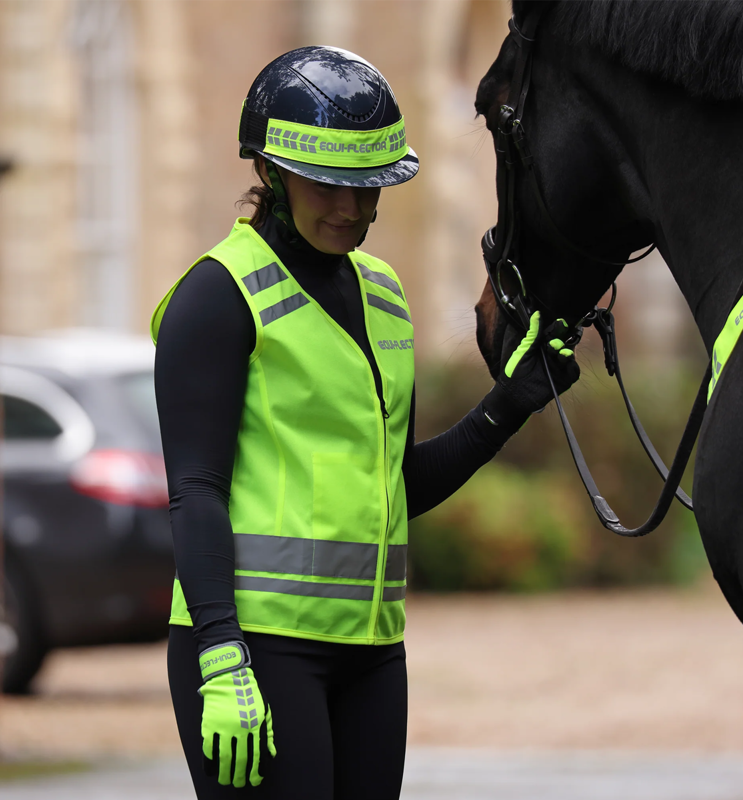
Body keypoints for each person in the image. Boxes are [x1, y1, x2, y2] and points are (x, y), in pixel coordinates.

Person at [151, 46, 579, 800]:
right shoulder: (217, 297)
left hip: (373, 652)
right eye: (327, 185)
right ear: (272, 173)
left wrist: (508, 407)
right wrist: (221, 651)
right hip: (255, 649)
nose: (350, 208)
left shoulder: (384, 295)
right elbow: (196, 488)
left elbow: (395, 484)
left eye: (368, 187)